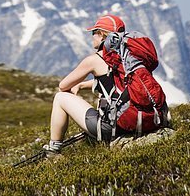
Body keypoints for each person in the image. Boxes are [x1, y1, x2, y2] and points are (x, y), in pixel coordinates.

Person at [43, 14, 167, 155]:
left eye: (93, 33)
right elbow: (117, 83)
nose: (92, 37)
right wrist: (83, 85)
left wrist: (76, 84)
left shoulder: (94, 60)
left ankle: (53, 149)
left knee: (60, 97)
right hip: (148, 119)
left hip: (114, 127)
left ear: (102, 35)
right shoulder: (129, 58)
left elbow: (63, 85)